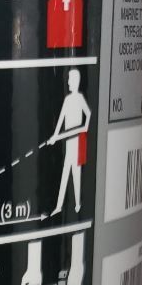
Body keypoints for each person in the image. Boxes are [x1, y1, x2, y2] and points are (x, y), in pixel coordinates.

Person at [50, 69, 91, 215]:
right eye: (67, 80)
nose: (67, 82)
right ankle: (59, 206)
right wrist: (55, 136)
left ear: (76, 81)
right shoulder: (67, 100)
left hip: (78, 142)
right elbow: (61, 119)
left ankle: (78, 204)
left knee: (76, 174)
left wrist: (85, 126)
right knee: (65, 174)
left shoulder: (79, 98)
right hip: (69, 143)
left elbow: (89, 113)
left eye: (70, 80)